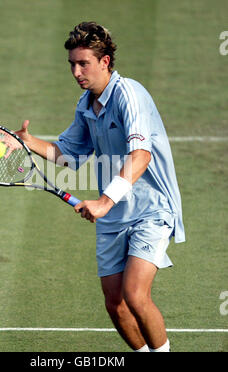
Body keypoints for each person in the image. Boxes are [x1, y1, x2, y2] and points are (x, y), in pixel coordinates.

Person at [15, 22, 185, 352]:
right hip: (114, 216)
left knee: (135, 295)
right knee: (116, 306)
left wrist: (103, 202)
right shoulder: (86, 105)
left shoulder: (129, 95)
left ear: (105, 62)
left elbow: (141, 156)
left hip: (151, 209)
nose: (77, 72)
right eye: (72, 65)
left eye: (84, 64)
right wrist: (27, 141)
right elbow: (68, 158)